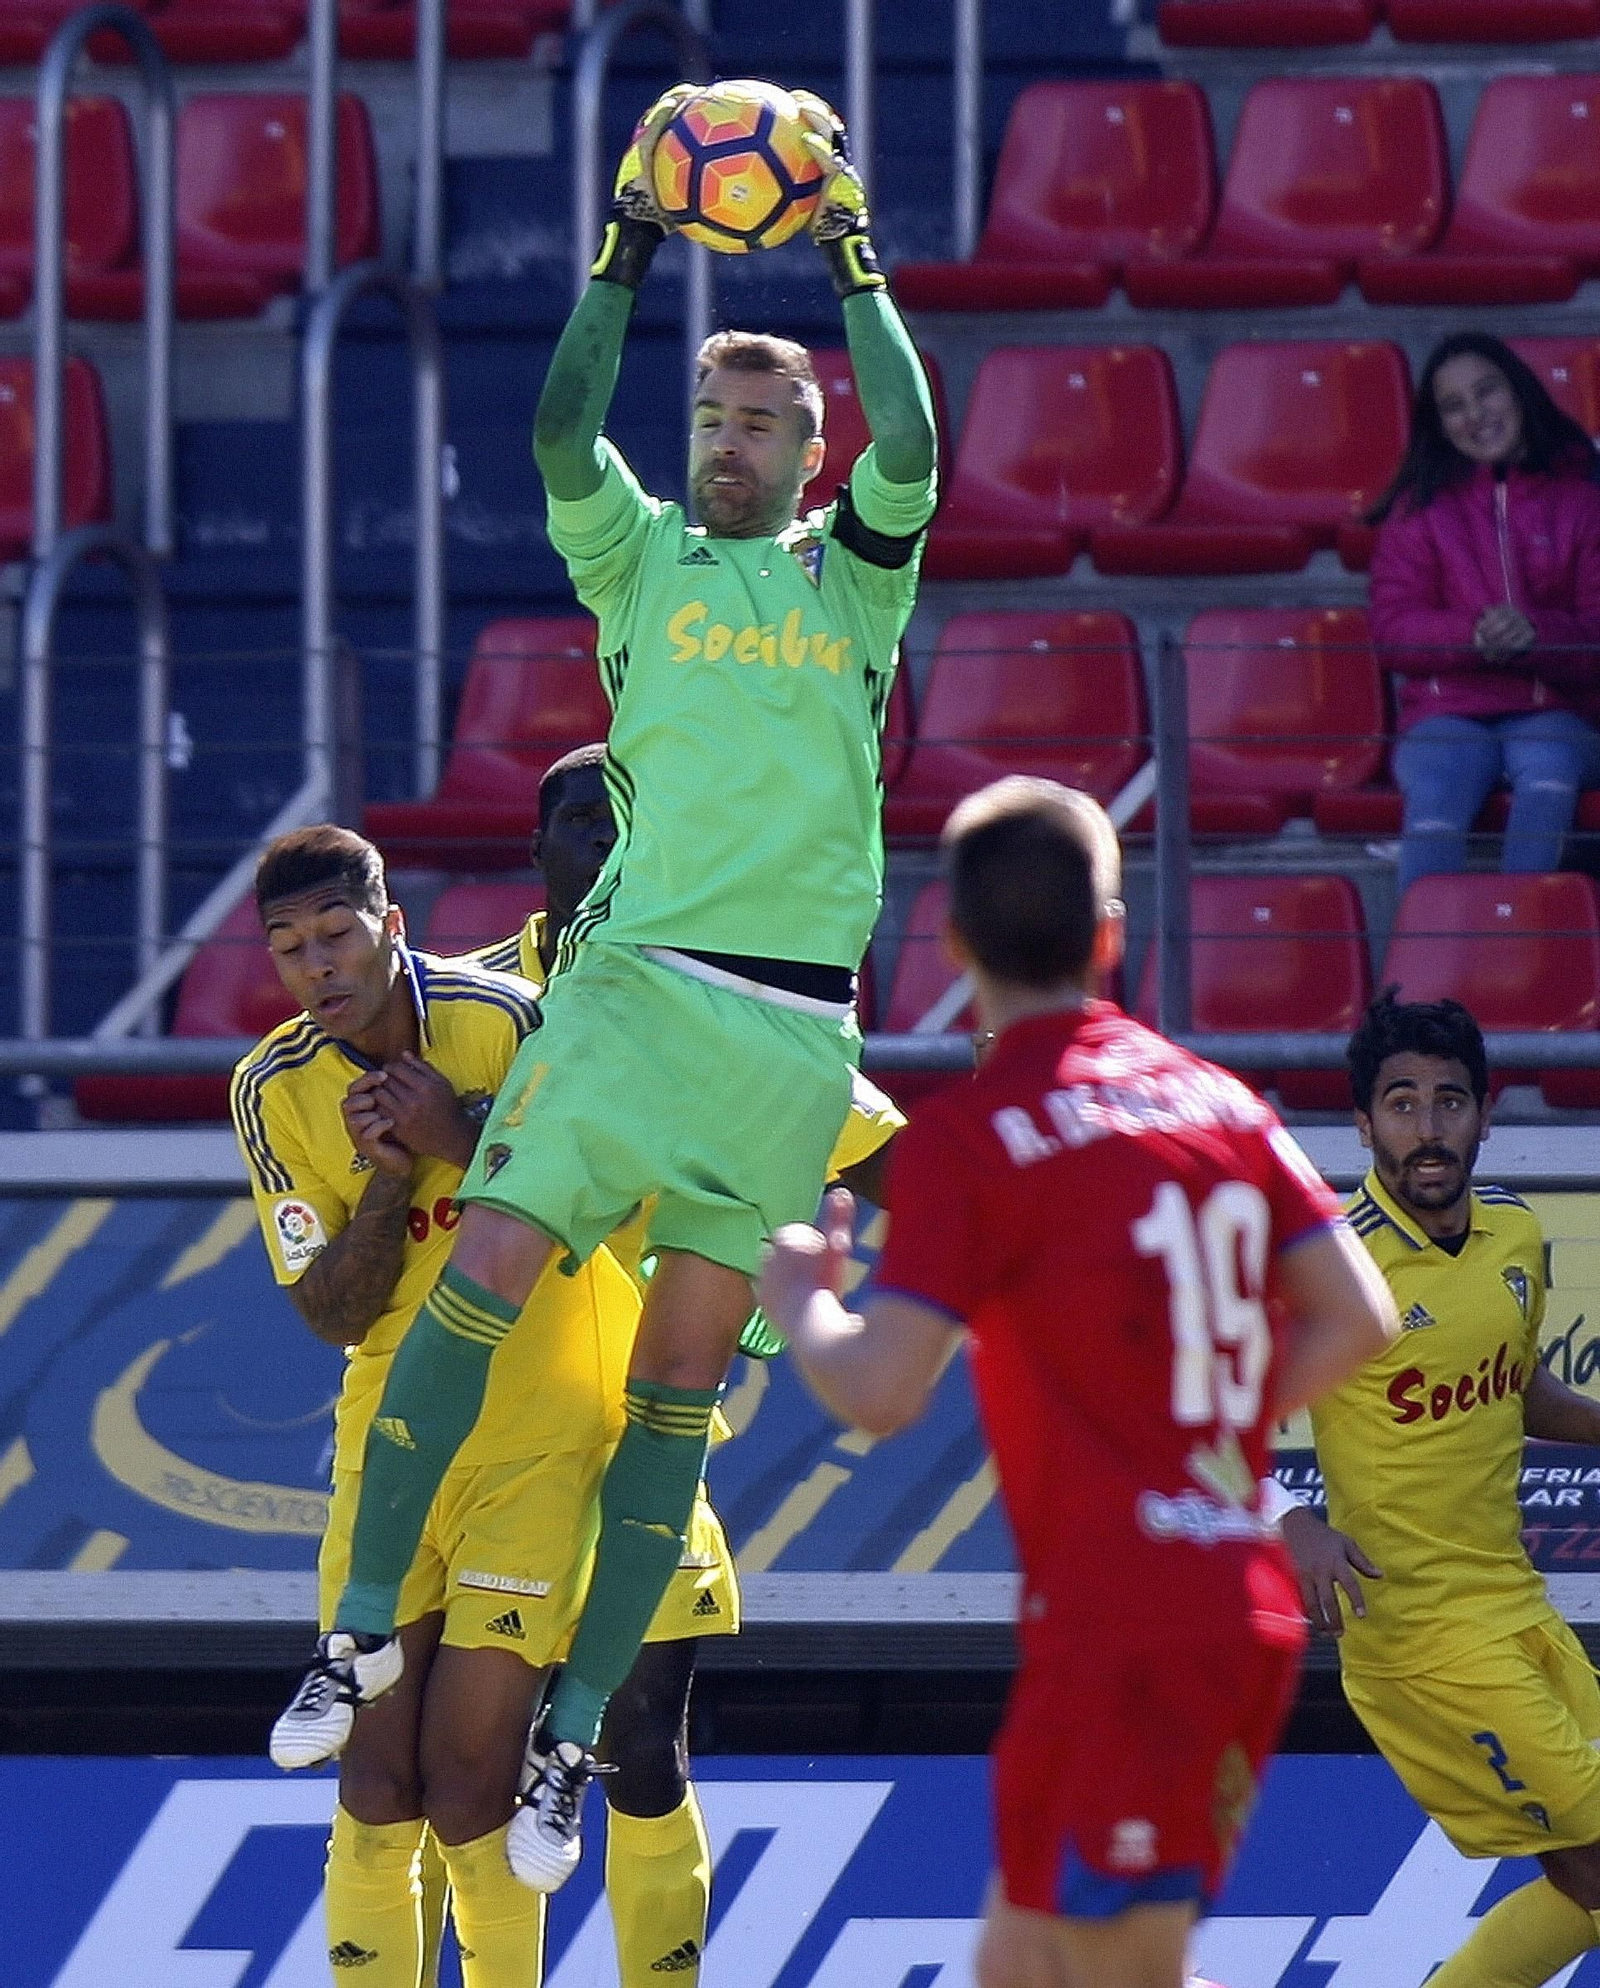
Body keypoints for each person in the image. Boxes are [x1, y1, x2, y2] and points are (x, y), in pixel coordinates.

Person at [272, 77, 937, 1896]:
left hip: (801, 1026)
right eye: (716, 415)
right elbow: (561, 426)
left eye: (765, 421)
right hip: (641, 991)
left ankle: (567, 1742)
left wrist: (852, 252)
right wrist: (630, 246)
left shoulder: (854, 581)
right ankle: (350, 1634)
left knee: (681, 1392)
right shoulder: (640, 562)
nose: (732, 440)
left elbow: (921, 445)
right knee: (482, 1265)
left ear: (812, 450)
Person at [757, 775, 1399, 1988]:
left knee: (1117, 1971)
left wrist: (803, 1300)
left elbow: (882, 1391)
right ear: (1112, 934)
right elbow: (1359, 1313)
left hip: (1132, 1622)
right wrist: (1192, 1427)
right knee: (1022, 1960)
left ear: (946, 941)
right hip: (1181, 1598)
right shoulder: (1220, 1105)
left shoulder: (972, 1136)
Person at [235, 824, 738, 1988]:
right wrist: (389, 1181)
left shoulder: (511, 1018)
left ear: (391, 927)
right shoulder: (270, 1085)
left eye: (337, 934)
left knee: (481, 1776)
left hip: (542, 1438)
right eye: (290, 947)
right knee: (374, 1782)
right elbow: (331, 1314)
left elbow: (613, 1204)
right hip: (392, 1439)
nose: (318, 966)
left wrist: (459, 1134)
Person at [1279, 989, 1600, 1988]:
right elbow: (1201, 1419)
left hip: (1512, 1607)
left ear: (1485, 1113)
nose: (1429, 1126)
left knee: (1588, 1890)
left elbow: (1520, 1385)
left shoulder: (1513, 1237)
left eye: (1450, 1100)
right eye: (1403, 1101)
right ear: (1363, 1122)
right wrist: (1288, 1520)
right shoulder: (1330, 1265)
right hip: (1415, 1631)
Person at [1367, 330, 1600, 895]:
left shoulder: (1583, 499)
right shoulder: (1419, 508)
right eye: (1454, 407)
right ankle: (1422, 967)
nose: (1475, 415)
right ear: (1439, 425)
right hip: (1448, 712)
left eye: (1486, 392)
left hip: (1557, 706)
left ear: (1518, 392)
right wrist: (1474, 634)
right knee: (1439, 780)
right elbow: (1393, 631)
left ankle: (1520, 943)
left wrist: (1534, 636)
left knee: (1548, 763)